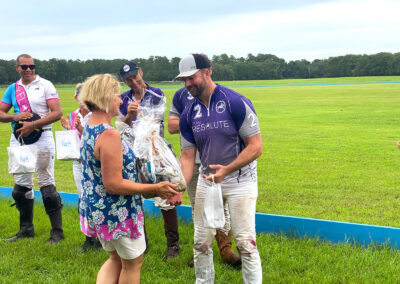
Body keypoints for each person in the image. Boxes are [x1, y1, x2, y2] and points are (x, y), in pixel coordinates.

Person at [78, 74, 178, 283]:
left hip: (99, 209)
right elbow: (113, 184)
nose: (120, 100)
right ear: (105, 97)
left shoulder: (89, 127)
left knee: (115, 258)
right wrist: (155, 187)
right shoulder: (109, 135)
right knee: (133, 263)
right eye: (116, 95)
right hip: (118, 211)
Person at [176, 54, 263, 284]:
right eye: (183, 80)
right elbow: (187, 157)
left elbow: (256, 147)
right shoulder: (188, 113)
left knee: (246, 243)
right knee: (201, 242)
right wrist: (179, 187)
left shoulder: (235, 101)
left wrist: (227, 169)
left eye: (191, 78)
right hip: (208, 181)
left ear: (207, 71)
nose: (187, 84)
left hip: (240, 180)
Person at [168, 87, 241, 267]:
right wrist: (198, 121)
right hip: (193, 160)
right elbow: (171, 125)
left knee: (222, 205)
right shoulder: (181, 95)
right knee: (198, 208)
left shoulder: (219, 95)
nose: (188, 81)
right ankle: (201, 250)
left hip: (218, 161)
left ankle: (225, 249)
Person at [118, 61, 181, 260]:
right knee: (136, 196)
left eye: (135, 76)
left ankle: (173, 245)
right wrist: (129, 114)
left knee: (165, 197)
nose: (133, 81)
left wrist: (141, 113)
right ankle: (141, 243)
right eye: (128, 79)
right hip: (133, 154)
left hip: (155, 153)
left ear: (141, 73)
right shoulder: (123, 99)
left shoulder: (156, 94)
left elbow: (156, 121)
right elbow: (122, 128)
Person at [0, 54, 64, 244]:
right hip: (19, 141)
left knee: (47, 185)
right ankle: (26, 229)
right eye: (24, 67)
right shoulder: (13, 88)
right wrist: (15, 117)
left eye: (32, 66)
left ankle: (57, 233)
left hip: (42, 137)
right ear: (17, 68)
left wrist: (33, 124)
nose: (29, 69)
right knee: (20, 187)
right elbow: (1, 113)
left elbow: (57, 112)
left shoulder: (46, 85)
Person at [60, 83, 100, 251]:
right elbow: (71, 141)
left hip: (93, 163)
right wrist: (69, 129)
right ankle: (89, 237)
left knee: (95, 197)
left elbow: (98, 140)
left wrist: (82, 129)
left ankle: (100, 237)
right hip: (78, 162)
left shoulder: (96, 115)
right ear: (76, 98)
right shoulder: (72, 115)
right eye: (81, 96)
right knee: (82, 198)